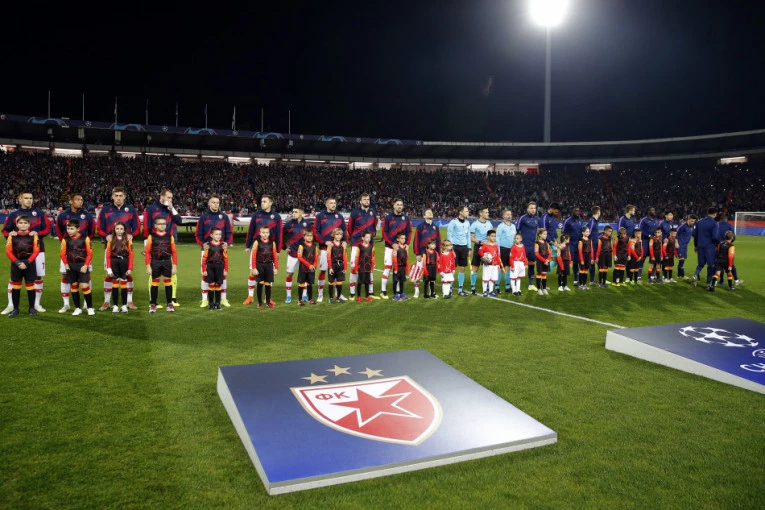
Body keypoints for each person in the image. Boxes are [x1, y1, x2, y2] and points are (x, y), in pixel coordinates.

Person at [2, 191, 51, 315]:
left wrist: (38, 234)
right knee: (14, 278)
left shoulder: (40, 213)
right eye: (26, 198)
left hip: (38, 250)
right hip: (18, 251)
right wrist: (10, 234)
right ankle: (11, 305)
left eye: (31, 198)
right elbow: (5, 231)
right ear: (20, 199)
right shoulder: (14, 215)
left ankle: (36, 304)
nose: (29, 200)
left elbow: (47, 228)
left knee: (38, 276)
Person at [97, 186, 141, 312]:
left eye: (121, 196)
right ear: (112, 197)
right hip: (111, 248)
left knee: (128, 273)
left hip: (126, 248)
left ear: (124, 196)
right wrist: (106, 235)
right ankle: (107, 301)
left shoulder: (131, 210)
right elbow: (99, 228)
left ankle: (129, 301)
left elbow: (137, 227)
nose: (118, 198)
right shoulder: (105, 210)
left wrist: (132, 235)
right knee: (109, 274)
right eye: (116, 196)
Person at [55, 193, 96, 314]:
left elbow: (92, 232)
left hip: (83, 249)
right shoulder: (63, 216)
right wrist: (67, 243)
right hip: (67, 248)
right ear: (71, 201)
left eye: (81, 200)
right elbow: (59, 231)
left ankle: (86, 304)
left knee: (86, 275)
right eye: (77, 200)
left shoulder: (87, 216)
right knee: (65, 276)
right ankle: (66, 304)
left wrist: (82, 242)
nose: (80, 202)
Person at [143, 189, 183, 307]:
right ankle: (153, 301)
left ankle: (172, 299)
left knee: (172, 272)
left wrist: (172, 208)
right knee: (153, 273)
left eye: (171, 198)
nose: (170, 200)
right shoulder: (151, 209)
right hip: (154, 244)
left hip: (168, 243)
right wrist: (146, 244)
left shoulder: (170, 209)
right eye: (168, 197)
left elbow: (179, 221)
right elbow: (146, 227)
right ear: (161, 196)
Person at [195, 194, 233, 308]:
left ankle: (223, 299)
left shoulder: (224, 217)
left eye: (217, 202)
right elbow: (198, 234)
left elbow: (229, 232)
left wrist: (227, 242)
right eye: (213, 202)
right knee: (205, 274)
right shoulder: (204, 217)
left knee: (222, 275)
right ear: (209, 204)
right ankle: (204, 299)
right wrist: (202, 244)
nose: (215, 204)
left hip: (221, 249)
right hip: (207, 250)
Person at [245, 195, 283, 305]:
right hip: (257, 247)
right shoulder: (256, 215)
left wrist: (278, 250)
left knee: (269, 274)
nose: (262, 203)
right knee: (253, 272)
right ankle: (250, 296)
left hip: (270, 248)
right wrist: (248, 245)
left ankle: (267, 298)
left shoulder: (276, 217)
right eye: (261, 201)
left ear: (270, 203)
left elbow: (279, 234)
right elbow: (250, 231)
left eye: (265, 201)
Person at [4, 215, 39, 318]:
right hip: (16, 264)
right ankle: (15, 309)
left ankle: (31, 308)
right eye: (20, 223)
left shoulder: (33, 235)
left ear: (29, 224)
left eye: (25, 223)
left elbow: (36, 251)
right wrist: (17, 262)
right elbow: (8, 251)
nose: (23, 225)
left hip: (30, 264)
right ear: (17, 224)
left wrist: (27, 262)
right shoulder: (12, 236)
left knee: (30, 286)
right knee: (16, 286)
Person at [312, 197, 345, 302]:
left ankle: (337, 294)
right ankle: (320, 294)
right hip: (324, 248)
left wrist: (344, 241)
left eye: (334, 203)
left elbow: (344, 230)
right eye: (331, 203)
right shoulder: (320, 216)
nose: (333, 205)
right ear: (326, 205)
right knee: (323, 270)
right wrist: (324, 241)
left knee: (337, 271)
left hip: (337, 249)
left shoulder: (339, 216)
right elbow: (316, 231)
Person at [60, 220, 95, 316]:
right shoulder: (65, 240)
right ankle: (77, 308)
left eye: (72, 229)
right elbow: (62, 254)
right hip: (71, 265)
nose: (69, 231)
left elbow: (90, 253)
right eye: (68, 228)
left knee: (84, 285)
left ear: (78, 229)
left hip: (82, 265)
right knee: (74, 286)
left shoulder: (85, 239)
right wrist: (66, 264)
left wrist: (86, 265)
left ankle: (90, 307)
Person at [347, 193, 377, 299]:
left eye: (368, 199)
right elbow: (350, 228)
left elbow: (374, 227)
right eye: (364, 199)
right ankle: (352, 293)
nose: (366, 201)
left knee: (369, 266)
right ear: (360, 201)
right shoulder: (355, 213)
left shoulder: (373, 212)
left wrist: (369, 239)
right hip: (356, 243)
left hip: (369, 244)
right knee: (354, 267)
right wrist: (356, 238)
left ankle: (370, 292)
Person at [145, 217, 178, 313]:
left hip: (167, 262)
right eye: (160, 224)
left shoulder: (170, 236)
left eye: (164, 224)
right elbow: (147, 252)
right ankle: (153, 304)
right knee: (155, 283)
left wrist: (174, 265)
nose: (162, 225)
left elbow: (174, 252)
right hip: (155, 262)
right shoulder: (151, 237)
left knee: (168, 283)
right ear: (155, 226)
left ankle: (169, 304)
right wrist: (148, 266)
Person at [380, 199, 411, 299]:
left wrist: (407, 243)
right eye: (397, 204)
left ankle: (399, 292)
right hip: (390, 248)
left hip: (401, 249)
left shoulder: (406, 218)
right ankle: (383, 291)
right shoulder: (388, 218)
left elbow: (409, 232)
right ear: (394, 206)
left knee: (400, 270)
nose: (399, 206)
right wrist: (392, 243)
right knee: (388, 268)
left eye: (401, 205)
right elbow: (384, 232)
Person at [282, 207, 309, 304]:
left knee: (304, 274)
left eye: (296, 212)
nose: (293, 213)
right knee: (289, 274)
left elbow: (310, 237)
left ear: (301, 213)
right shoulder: (289, 224)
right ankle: (288, 295)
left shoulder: (307, 224)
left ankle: (304, 294)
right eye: (292, 212)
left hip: (304, 254)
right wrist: (284, 247)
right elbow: (280, 236)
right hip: (292, 254)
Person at [412, 208, 441, 298]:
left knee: (431, 273)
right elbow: (416, 240)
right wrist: (417, 253)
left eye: (431, 212)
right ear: (424, 216)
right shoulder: (420, 227)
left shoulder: (436, 227)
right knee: (418, 273)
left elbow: (438, 241)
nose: (430, 213)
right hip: (422, 254)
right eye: (428, 212)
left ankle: (431, 291)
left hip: (432, 255)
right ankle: (416, 290)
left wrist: (438, 254)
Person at [105, 221, 134, 314]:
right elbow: (108, 254)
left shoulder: (128, 240)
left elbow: (131, 254)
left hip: (124, 262)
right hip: (114, 263)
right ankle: (115, 305)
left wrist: (130, 268)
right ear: (114, 229)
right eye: (117, 228)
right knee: (115, 284)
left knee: (124, 284)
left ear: (124, 230)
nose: (119, 230)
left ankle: (124, 305)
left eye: (121, 229)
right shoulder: (110, 240)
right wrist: (109, 268)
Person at [249, 225, 278, 309]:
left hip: (269, 265)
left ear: (269, 233)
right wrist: (254, 268)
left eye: (267, 232)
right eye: (263, 232)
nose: (265, 234)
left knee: (268, 284)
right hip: (260, 265)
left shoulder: (272, 243)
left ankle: (268, 302)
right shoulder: (256, 242)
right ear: (260, 233)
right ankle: (259, 303)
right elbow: (253, 256)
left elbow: (275, 256)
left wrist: (276, 267)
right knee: (260, 283)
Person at [516, 202, 543, 291]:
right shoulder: (523, 218)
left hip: (532, 246)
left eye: (534, 208)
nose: (533, 210)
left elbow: (540, 230)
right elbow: (517, 230)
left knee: (532, 263)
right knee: (519, 264)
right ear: (528, 209)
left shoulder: (537, 219)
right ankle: (516, 284)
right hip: (523, 245)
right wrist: (518, 243)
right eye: (531, 208)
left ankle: (530, 284)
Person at [691, 207, 721, 287]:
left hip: (700, 246)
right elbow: (714, 237)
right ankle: (708, 283)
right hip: (710, 247)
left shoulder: (699, 222)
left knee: (700, 264)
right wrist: (719, 242)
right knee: (710, 265)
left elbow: (695, 235)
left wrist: (696, 246)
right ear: (715, 214)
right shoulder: (715, 223)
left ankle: (695, 275)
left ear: (707, 213)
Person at [446, 205, 471, 296]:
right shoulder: (453, 222)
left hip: (464, 247)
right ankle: (449, 289)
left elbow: (468, 236)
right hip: (455, 247)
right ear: (460, 212)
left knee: (462, 268)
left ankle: (460, 289)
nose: (468, 212)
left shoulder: (467, 223)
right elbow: (449, 234)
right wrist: (451, 248)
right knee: (453, 268)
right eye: (466, 211)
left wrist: (469, 248)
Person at [201, 227, 228, 310]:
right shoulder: (208, 246)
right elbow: (204, 258)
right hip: (210, 267)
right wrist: (204, 269)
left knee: (218, 285)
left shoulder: (223, 245)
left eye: (220, 234)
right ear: (211, 235)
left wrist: (226, 269)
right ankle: (211, 303)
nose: (218, 236)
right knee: (211, 284)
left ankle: (218, 303)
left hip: (220, 267)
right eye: (216, 234)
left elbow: (225, 258)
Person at [469, 206, 493, 296]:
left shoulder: (489, 224)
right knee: (475, 267)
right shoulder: (475, 224)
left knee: (487, 267)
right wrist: (480, 242)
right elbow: (472, 238)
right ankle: (473, 287)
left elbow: (491, 236)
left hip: (488, 247)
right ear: (480, 213)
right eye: (486, 212)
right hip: (478, 246)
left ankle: (487, 287)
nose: (488, 214)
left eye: (488, 212)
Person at [717, 214, 743, 285]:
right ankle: (736, 280)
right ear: (726, 220)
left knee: (719, 264)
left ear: (720, 219)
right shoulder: (729, 226)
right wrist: (729, 243)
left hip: (718, 246)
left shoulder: (717, 225)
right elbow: (733, 237)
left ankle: (721, 280)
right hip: (728, 247)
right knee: (731, 264)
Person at [495, 209, 516, 294]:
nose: (509, 216)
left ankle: (507, 286)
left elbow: (515, 238)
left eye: (510, 214)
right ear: (503, 216)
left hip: (511, 250)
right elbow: (497, 239)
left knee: (508, 268)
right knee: (500, 268)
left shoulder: (513, 226)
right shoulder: (501, 226)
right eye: (507, 214)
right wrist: (498, 251)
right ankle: (497, 286)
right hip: (503, 249)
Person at [297, 229, 319, 305]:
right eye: (307, 236)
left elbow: (316, 257)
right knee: (301, 283)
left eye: (311, 236)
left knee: (310, 283)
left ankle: (310, 299)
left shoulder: (315, 246)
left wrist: (314, 266)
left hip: (311, 269)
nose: (309, 237)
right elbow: (299, 257)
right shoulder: (301, 246)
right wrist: (309, 265)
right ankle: (300, 300)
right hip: (303, 268)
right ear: (304, 237)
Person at [478, 229, 502, 297]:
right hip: (488, 265)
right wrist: (484, 257)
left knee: (492, 278)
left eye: (495, 236)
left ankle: (491, 291)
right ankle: (484, 291)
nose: (494, 238)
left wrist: (498, 264)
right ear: (488, 236)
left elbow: (497, 255)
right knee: (486, 278)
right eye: (492, 236)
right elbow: (480, 251)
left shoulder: (496, 245)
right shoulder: (485, 245)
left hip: (494, 265)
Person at [638, 207, 660, 281]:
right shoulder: (644, 220)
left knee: (653, 258)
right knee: (643, 257)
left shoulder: (656, 220)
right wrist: (649, 236)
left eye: (654, 210)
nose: (654, 211)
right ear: (648, 211)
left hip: (654, 242)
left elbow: (658, 230)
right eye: (652, 210)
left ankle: (652, 275)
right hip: (645, 241)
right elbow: (640, 230)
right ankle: (638, 275)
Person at [353, 231, 375, 302]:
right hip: (361, 267)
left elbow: (373, 257)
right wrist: (356, 267)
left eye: (369, 237)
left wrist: (372, 267)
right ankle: (359, 296)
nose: (368, 239)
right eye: (367, 237)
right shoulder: (359, 247)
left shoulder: (372, 247)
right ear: (362, 238)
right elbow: (356, 257)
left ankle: (367, 296)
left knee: (367, 282)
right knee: (360, 282)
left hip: (368, 267)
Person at [327, 228, 348, 303]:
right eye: (337, 234)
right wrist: (330, 267)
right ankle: (331, 298)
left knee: (339, 282)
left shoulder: (343, 245)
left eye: (340, 234)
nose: (339, 236)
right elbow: (328, 257)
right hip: (333, 265)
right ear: (333, 235)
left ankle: (338, 297)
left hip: (340, 266)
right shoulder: (330, 245)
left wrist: (345, 267)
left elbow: (345, 256)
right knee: (331, 282)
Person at [562, 207, 583, 275]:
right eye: (575, 211)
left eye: (578, 211)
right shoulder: (567, 221)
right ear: (572, 212)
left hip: (578, 244)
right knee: (568, 260)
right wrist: (564, 243)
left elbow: (581, 231)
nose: (577, 213)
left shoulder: (580, 220)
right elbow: (563, 233)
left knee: (576, 261)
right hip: (570, 244)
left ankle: (575, 276)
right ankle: (564, 274)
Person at [675, 215, 697, 279]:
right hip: (680, 244)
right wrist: (676, 243)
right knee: (681, 258)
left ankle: (679, 275)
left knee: (683, 259)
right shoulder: (683, 226)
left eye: (694, 221)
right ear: (688, 219)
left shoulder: (692, 227)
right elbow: (676, 233)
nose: (692, 222)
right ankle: (682, 275)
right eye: (691, 221)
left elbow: (694, 234)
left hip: (685, 245)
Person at [585, 206, 602, 285]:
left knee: (595, 261)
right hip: (592, 246)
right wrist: (589, 244)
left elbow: (594, 234)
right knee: (592, 262)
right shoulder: (592, 221)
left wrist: (602, 234)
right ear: (598, 212)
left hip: (595, 244)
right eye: (600, 211)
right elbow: (588, 233)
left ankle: (597, 279)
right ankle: (592, 280)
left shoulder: (594, 221)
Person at [391, 232, 409, 301]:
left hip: (403, 267)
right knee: (395, 281)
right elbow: (394, 259)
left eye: (404, 238)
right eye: (401, 238)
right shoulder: (396, 248)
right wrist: (395, 268)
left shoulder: (405, 248)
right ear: (398, 239)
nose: (403, 240)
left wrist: (406, 268)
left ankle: (401, 293)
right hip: (397, 267)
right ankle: (395, 295)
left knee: (402, 281)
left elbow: (407, 258)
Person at [534, 228, 551, 295]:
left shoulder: (546, 243)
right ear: (540, 235)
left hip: (546, 261)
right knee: (539, 274)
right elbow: (536, 254)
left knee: (544, 274)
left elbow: (549, 252)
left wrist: (548, 260)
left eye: (546, 234)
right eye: (544, 234)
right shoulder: (537, 243)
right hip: (540, 261)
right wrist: (544, 260)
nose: (545, 235)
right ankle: (539, 289)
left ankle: (544, 288)